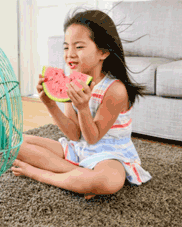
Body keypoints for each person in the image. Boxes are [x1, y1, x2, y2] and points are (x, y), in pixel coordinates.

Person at [11, 8, 152, 199]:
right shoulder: (73, 81)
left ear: (103, 52)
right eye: (66, 47)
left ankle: (40, 174)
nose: (70, 54)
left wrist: (84, 108)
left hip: (109, 153)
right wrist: (49, 103)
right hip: (79, 149)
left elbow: (93, 138)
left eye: (79, 47)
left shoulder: (115, 90)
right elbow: (74, 135)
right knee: (14, 144)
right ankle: (78, 175)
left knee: (108, 181)